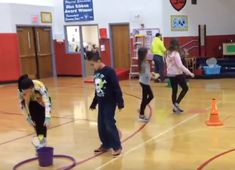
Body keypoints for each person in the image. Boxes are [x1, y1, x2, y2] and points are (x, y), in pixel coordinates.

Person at [87, 51, 124, 156]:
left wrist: (120, 102)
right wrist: (94, 103)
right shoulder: (96, 72)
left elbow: (116, 88)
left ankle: (117, 146)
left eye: (92, 64)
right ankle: (106, 144)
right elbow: (97, 89)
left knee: (108, 124)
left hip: (110, 102)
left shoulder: (109, 71)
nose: (92, 67)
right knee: (101, 125)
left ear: (99, 61)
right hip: (101, 103)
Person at [17, 75, 52, 149]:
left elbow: (47, 102)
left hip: (41, 100)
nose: (25, 94)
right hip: (32, 102)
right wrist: (28, 118)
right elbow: (22, 105)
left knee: (43, 122)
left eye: (27, 92)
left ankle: (43, 141)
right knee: (36, 124)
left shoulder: (39, 86)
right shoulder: (20, 91)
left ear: (31, 88)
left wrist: (48, 117)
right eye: (24, 93)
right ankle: (42, 141)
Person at [165, 38, 194, 113]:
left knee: (174, 90)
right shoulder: (176, 54)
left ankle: (175, 107)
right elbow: (180, 66)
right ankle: (176, 104)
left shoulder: (167, 53)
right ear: (177, 45)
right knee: (185, 88)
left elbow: (167, 64)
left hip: (170, 74)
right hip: (177, 74)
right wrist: (189, 73)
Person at [138, 47, 154, 122]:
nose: (149, 54)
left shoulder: (145, 62)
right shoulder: (143, 63)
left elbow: (147, 73)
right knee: (150, 96)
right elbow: (146, 74)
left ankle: (142, 109)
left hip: (144, 82)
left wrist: (151, 73)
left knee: (146, 97)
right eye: (147, 53)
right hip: (144, 82)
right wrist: (153, 76)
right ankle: (141, 114)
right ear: (144, 55)